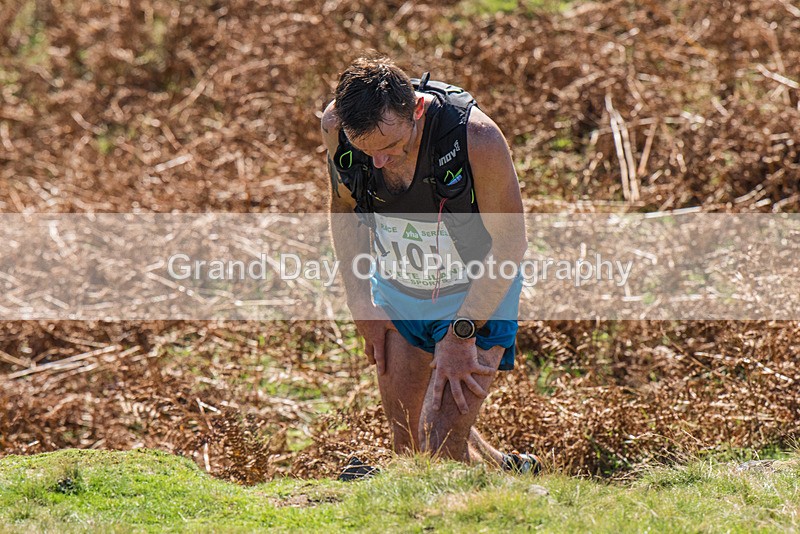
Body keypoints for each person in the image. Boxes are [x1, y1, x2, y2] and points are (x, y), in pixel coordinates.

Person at [321, 56, 538, 473]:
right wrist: (360, 302)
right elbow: (343, 207)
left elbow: (511, 243)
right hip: (402, 294)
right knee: (408, 448)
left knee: (440, 452)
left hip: (477, 295)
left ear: (417, 110)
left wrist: (460, 334)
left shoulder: (477, 138)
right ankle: (509, 471)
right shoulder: (336, 126)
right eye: (368, 152)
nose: (379, 163)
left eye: (390, 148)